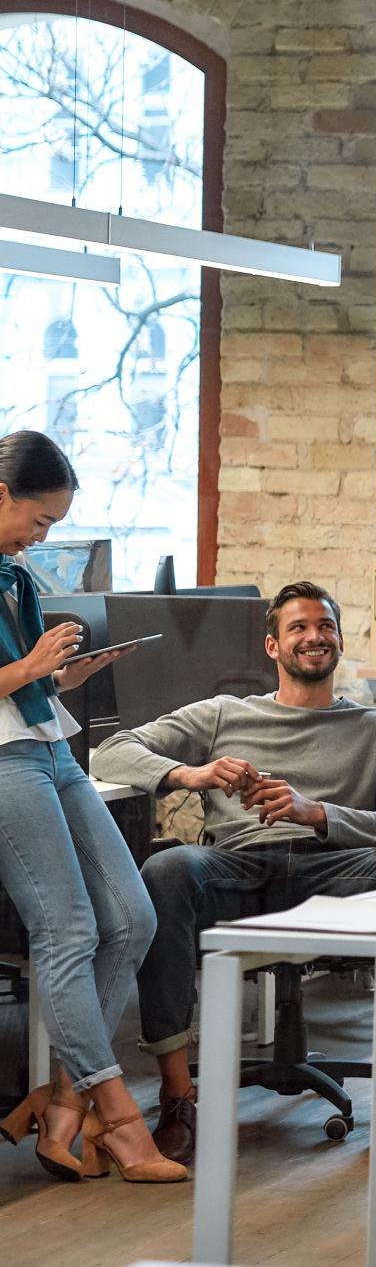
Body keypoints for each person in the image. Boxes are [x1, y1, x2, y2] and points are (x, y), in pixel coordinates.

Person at [92, 580, 376, 1164]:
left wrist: (313, 812)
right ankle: (176, 1094)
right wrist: (189, 775)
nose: (314, 637)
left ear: (340, 641)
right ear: (272, 646)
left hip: (336, 871)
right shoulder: (224, 715)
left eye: (324, 626)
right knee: (168, 868)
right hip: (238, 868)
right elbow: (109, 752)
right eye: (298, 627)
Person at [0, 431, 183, 1184]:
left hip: (50, 748)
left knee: (133, 917)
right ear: (2, 494)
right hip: (4, 764)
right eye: (39, 521)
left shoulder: (15, 575)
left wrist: (67, 674)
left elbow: (29, 688)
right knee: (69, 929)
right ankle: (119, 1119)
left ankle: (63, 1102)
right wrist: (29, 666)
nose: (43, 537)